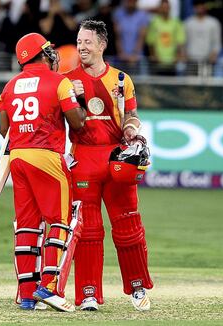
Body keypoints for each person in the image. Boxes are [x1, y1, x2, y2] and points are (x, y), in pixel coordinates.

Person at [64, 19, 153, 312]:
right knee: (88, 231)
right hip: (83, 157)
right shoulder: (67, 80)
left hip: (116, 159)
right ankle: (88, 294)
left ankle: (138, 288)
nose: (81, 47)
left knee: (128, 226)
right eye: (79, 42)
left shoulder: (121, 79)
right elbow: (59, 120)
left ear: (102, 45)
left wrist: (131, 130)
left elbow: (133, 115)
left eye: (87, 42)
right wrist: (71, 97)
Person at [0, 32, 87, 312]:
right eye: (48, 50)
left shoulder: (10, 86)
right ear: (42, 53)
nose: (53, 54)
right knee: (61, 221)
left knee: (26, 224)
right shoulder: (59, 81)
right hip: (47, 156)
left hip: (19, 158)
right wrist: (79, 100)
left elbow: (4, 130)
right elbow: (78, 122)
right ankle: (48, 287)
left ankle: (27, 295)